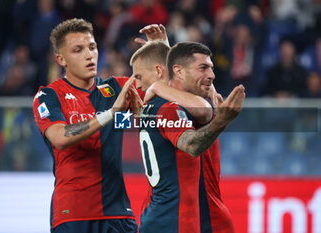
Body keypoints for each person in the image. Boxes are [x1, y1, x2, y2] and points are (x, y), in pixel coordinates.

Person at [32, 18, 168, 233]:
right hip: (73, 214)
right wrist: (111, 113)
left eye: (92, 47)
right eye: (78, 50)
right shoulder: (49, 95)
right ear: (61, 59)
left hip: (118, 213)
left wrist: (163, 53)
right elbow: (60, 138)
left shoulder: (116, 88)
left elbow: (164, 89)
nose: (89, 55)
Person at [130, 41, 244, 233]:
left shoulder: (169, 107)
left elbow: (203, 107)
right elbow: (192, 142)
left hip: (166, 216)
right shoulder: (169, 109)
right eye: (204, 68)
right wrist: (221, 121)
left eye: (140, 77)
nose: (138, 83)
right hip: (177, 220)